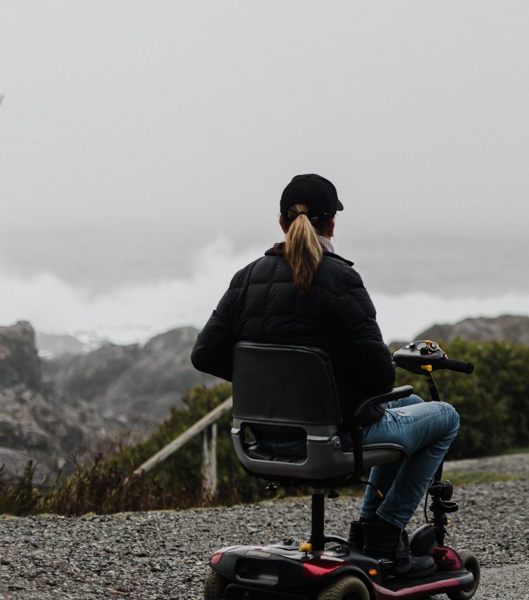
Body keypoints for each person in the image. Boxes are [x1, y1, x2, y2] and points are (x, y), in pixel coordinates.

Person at [190, 173, 459, 579]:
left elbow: (204, 354)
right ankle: (384, 531)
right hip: (331, 438)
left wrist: (271, 386)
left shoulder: (246, 278)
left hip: (262, 437)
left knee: (415, 406)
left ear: (282, 222)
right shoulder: (341, 278)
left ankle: (369, 527)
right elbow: (379, 377)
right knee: (444, 417)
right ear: (332, 224)